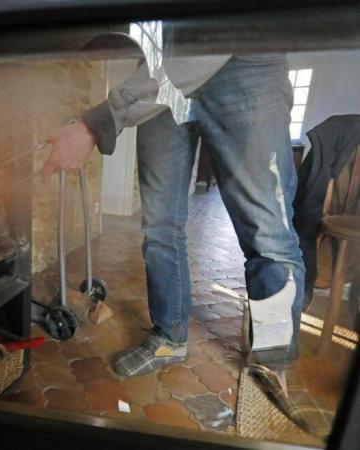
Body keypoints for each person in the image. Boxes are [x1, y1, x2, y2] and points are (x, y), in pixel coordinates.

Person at [44, 24, 305, 378]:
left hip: (244, 60)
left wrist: (96, 123)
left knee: (268, 234)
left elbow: (196, 50)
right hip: (163, 67)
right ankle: (170, 337)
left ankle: (272, 362)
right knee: (159, 225)